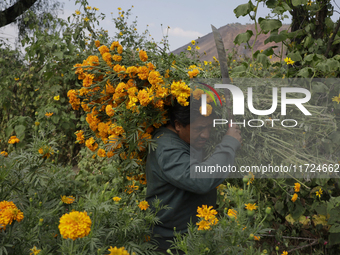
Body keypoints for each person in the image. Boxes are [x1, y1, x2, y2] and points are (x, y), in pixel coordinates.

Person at [145, 97, 242, 254]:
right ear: (178, 125)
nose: (206, 135)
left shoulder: (185, 138)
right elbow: (200, 179)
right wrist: (229, 143)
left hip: (191, 236)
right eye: (199, 129)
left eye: (210, 127)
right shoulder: (166, 148)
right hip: (171, 243)